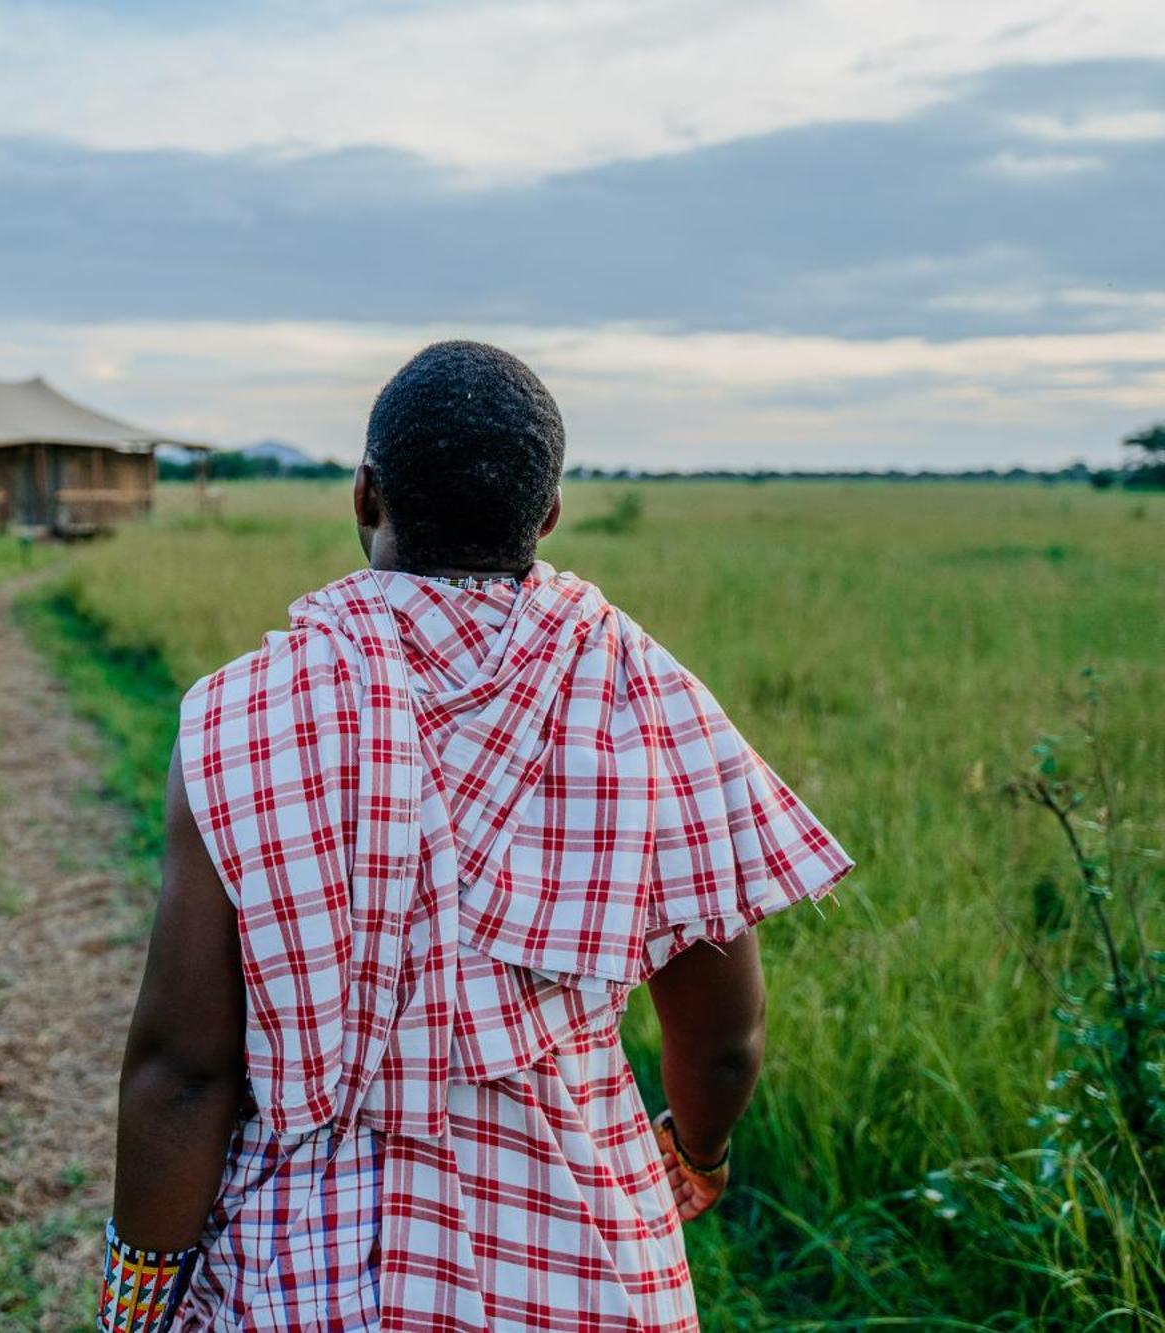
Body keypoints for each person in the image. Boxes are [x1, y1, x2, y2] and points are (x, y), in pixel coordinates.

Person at [98, 341, 852, 1331]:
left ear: (364, 497)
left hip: (314, 1270)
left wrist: (132, 1303)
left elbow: (183, 1071)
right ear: (545, 515)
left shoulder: (240, 715)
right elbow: (720, 1042)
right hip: (584, 1253)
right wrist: (696, 1153)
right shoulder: (639, 696)